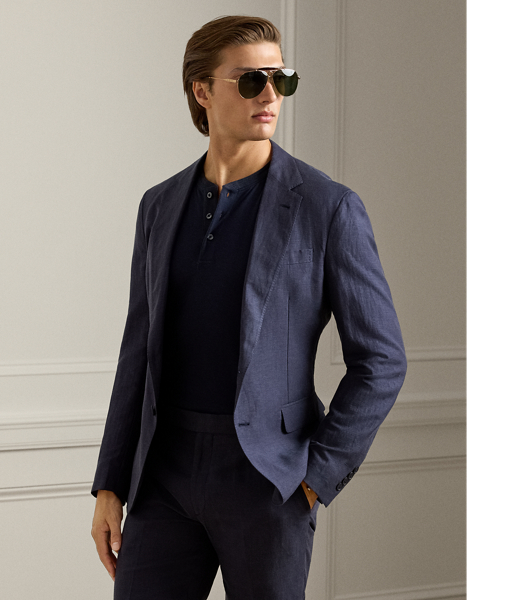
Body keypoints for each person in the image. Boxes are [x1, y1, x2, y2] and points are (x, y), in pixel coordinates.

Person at [91, 15, 407, 600]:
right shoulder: (159, 205)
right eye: (251, 80)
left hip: (268, 480)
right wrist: (110, 483)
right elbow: (137, 351)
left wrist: (315, 477)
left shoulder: (327, 207)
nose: (269, 95)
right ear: (202, 91)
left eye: (281, 79)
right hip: (163, 475)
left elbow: (382, 360)